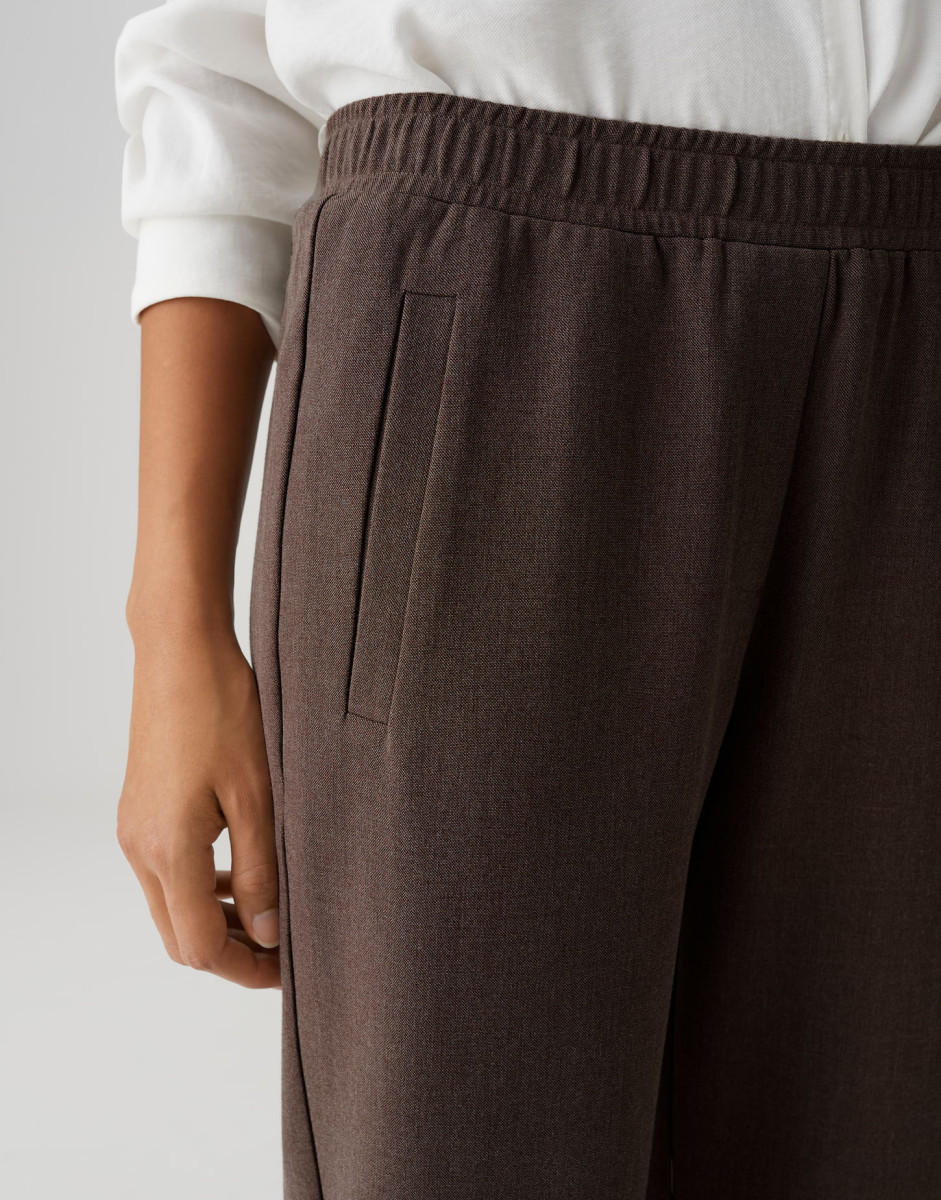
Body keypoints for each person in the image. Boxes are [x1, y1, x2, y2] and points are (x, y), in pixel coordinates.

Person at [113, 3, 941, 1197]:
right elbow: (215, 83)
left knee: (878, 1125)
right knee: (465, 1138)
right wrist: (172, 624)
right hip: (499, 297)